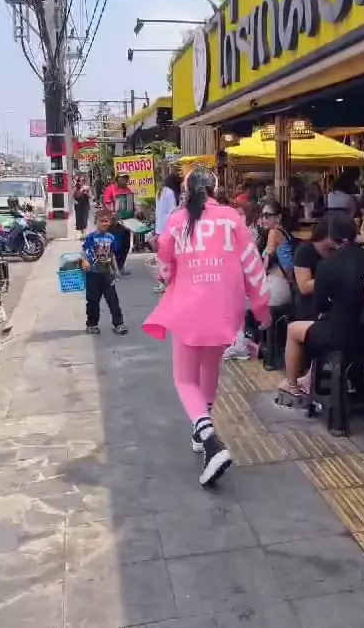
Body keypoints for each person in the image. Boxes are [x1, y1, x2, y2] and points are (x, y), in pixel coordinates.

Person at [143, 167, 270, 487]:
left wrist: (167, 276)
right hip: (223, 308)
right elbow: (252, 263)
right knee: (209, 371)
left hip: (188, 307)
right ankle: (201, 433)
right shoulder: (232, 218)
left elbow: (164, 263)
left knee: (185, 378)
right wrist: (260, 306)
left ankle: (210, 440)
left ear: (186, 191)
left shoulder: (178, 220)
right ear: (215, 189)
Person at [279, 213, 364, 398]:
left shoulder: (328, 266)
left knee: (294, 329)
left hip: (340, 331)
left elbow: (320, 306)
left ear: (332, 235)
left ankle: (292, 384)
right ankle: (320, 377)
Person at [223, 202, 268, 361]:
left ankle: (240, 343)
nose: (238, 217)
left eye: (241, 213)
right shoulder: (242, 231)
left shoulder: (251, 233)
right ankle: (237, 340)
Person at [82, 208, 127, 335]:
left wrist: (116, 270)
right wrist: (83, 261)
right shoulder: (91, 237)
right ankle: (92, 324)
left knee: (113, 300)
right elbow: (83, 251)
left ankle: (119, 324)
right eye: (101, 221)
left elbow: (112, 255)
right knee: (93, 301)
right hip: (93, 274)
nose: (104, 223)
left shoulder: (111, 238)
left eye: (107, 221)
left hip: (107, 274)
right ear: (95, 222)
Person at [261, 200, 294, 308]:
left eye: (267, 216)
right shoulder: (285, 232)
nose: (263, 219)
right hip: (287, 286)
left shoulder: (274, 232)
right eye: (262, 216)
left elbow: (266, 260)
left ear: (278, 217)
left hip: (276, 286)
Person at [153, 173, 181, 293]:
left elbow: (158, 211)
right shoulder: (170, 193)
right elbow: (173, 211)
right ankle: (166, 281)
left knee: (163, 256)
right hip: (169, 227)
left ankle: (162, 281)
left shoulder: (160, 191)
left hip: (160, 228)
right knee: (170, 256)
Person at [104, 174, 133, 274]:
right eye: (123, 178)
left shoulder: (128, 190)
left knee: (126, 245)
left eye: (126, 178)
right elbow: (107, 203)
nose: (125, 180)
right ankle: (115, 267)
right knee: (116, 246)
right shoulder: (111, 189)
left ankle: (120, 266)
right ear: (117, 179)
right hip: (115, 223)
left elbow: (130, 205)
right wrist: (113, 213)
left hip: (127, 222)